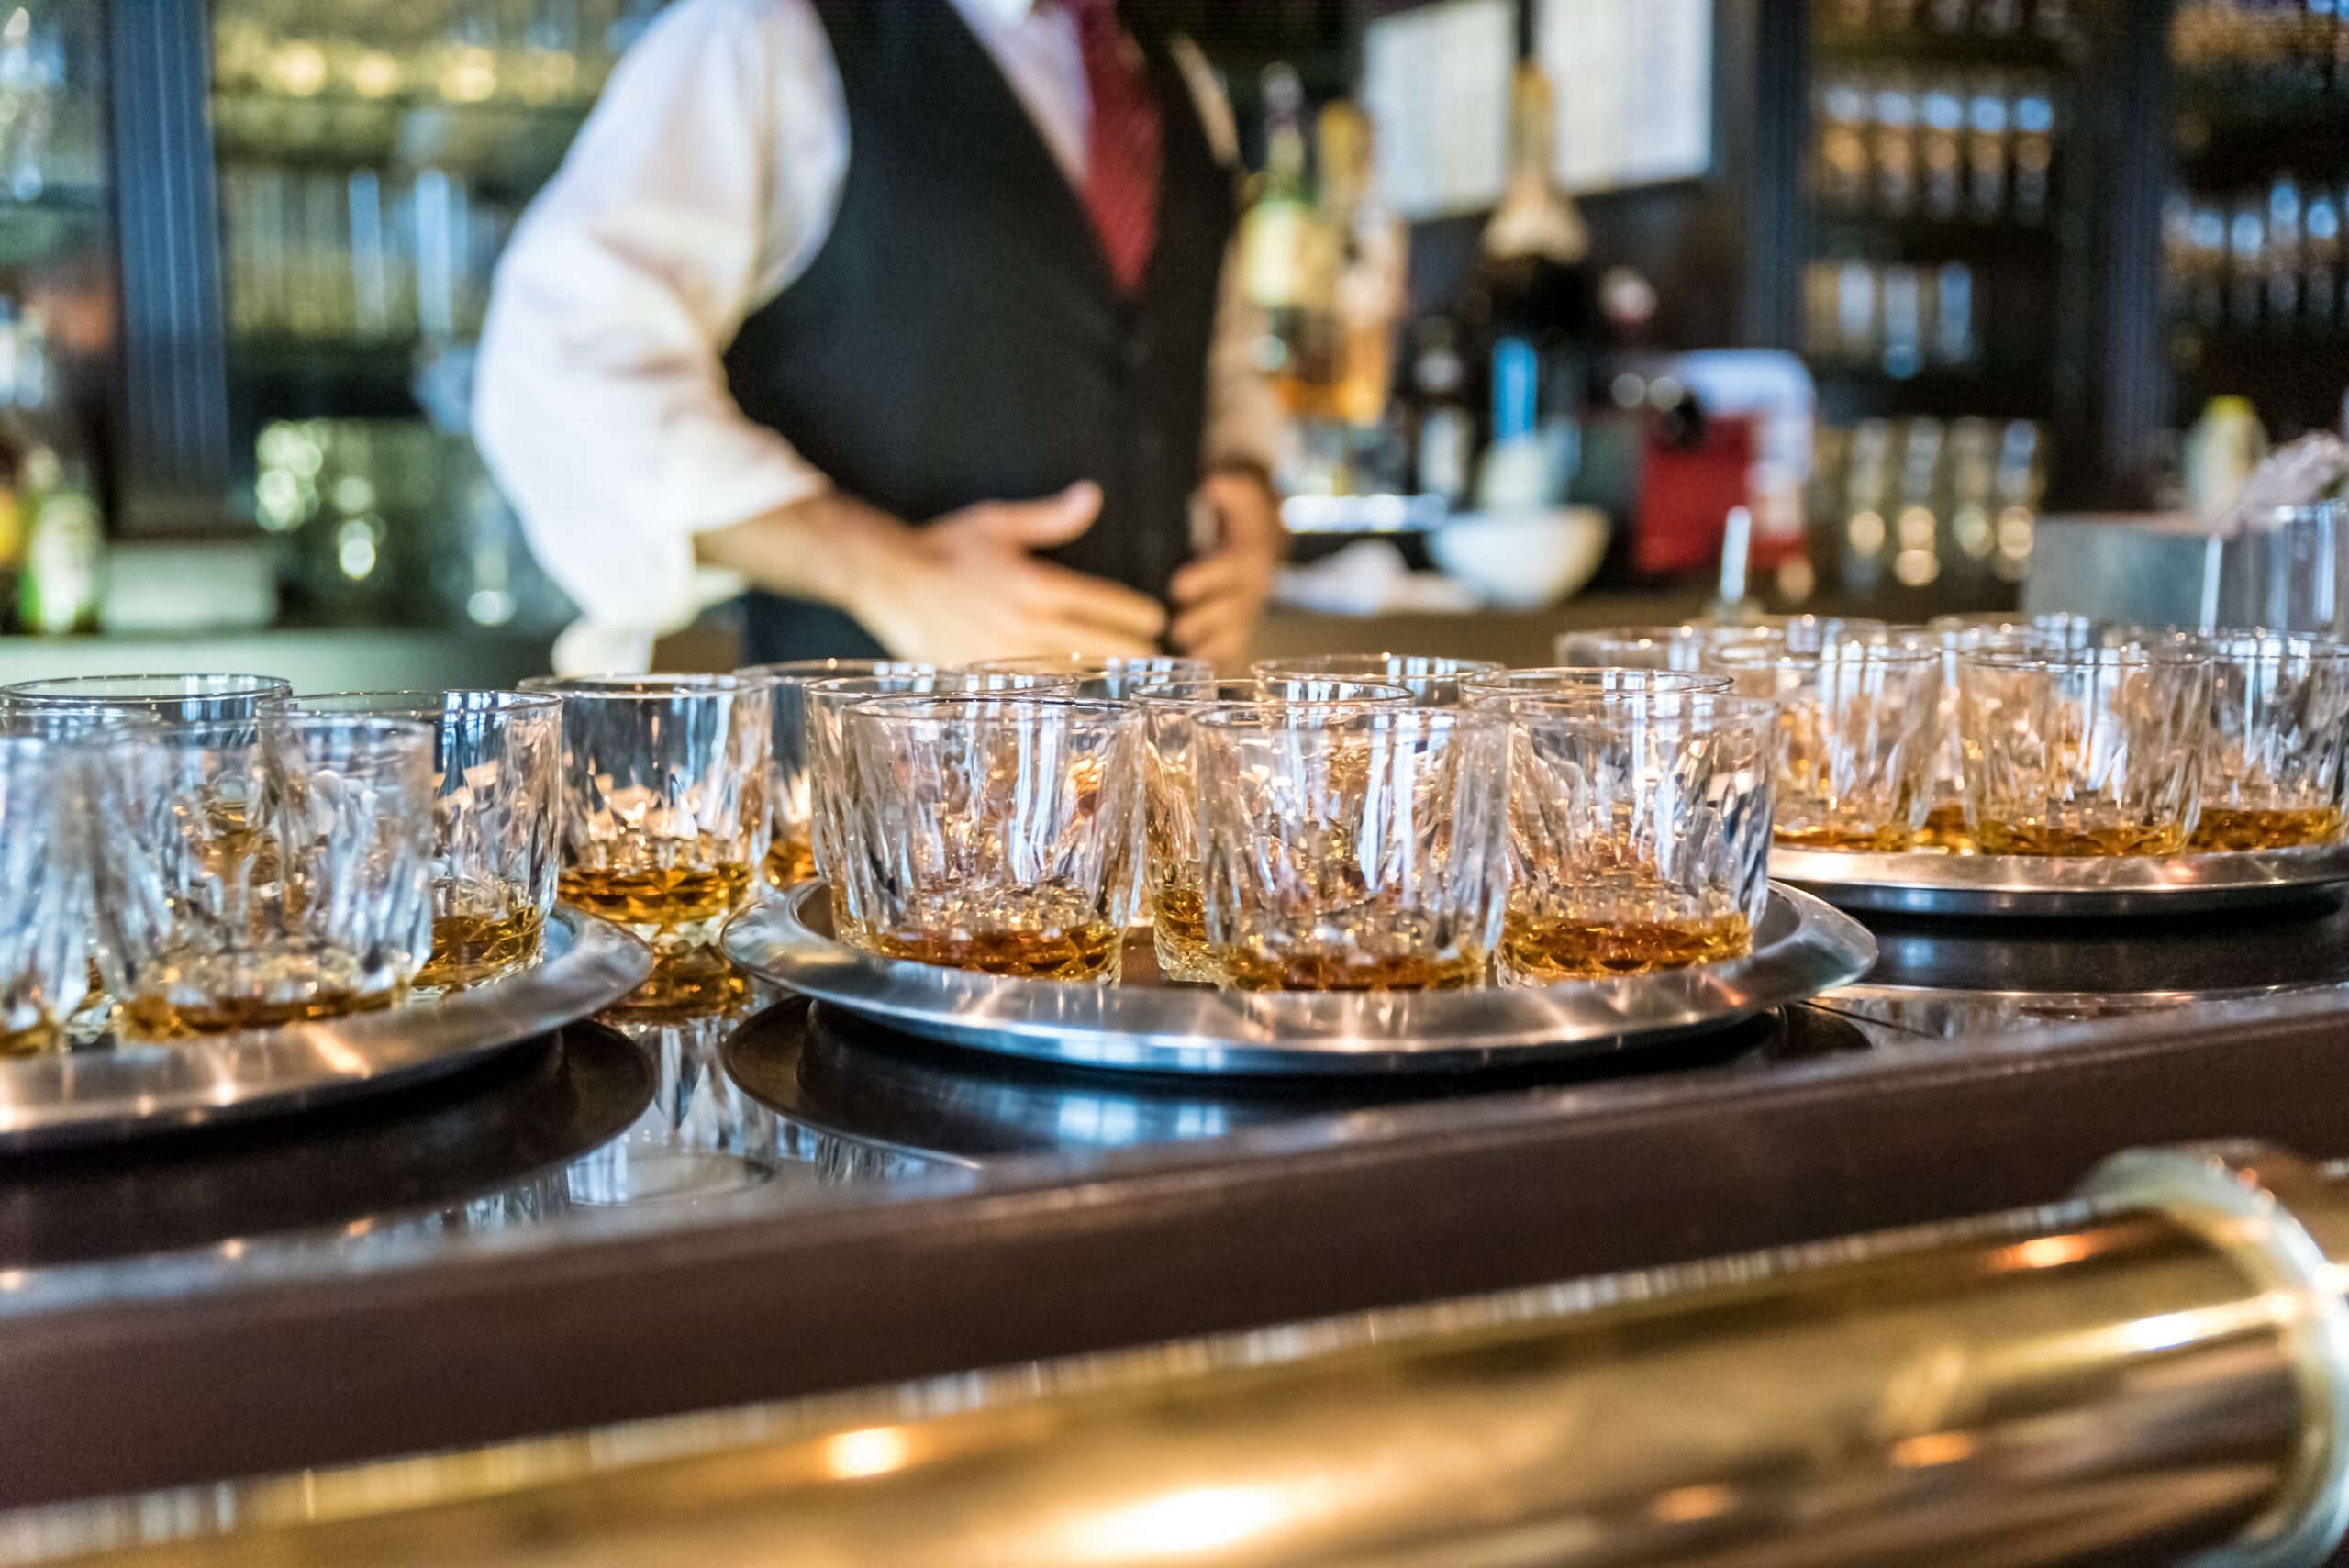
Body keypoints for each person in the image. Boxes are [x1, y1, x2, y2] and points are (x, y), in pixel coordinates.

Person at [475, 0, 1285, 671]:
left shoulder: (1177, 81)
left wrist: (1244, 485)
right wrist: (887, 572)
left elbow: (1210, 358)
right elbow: (561, 365)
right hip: (864, 802)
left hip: (1153, 784)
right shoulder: (767, 33)